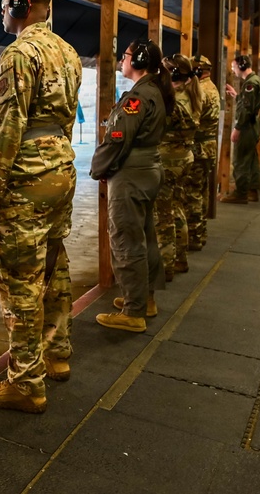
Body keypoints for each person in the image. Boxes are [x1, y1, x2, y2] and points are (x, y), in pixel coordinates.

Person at [0, 0, 82, 413]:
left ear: (21, 4)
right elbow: (66, 119)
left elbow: (9, 127)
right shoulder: (68, 52)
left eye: (5, 4)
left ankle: (25, 383)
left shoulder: (19, 55)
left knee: (20, 280)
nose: (2, 11)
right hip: (60, 168)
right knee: (54, 266)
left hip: (26, 178)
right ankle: (56, 354)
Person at [90, 39, 174, 333]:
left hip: (131, 173)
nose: (121, 60)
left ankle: (133, 312)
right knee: (144, 236)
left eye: (125, 56)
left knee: (126, 239)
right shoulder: (154, 91)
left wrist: (99, 168)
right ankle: (144, 300)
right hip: (146, 169)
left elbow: (117, 139)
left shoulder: (137, 97)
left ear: (137, 61)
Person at [156, 54, 200, 279]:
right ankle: (180, 258)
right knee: (177, 207)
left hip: (169, 161)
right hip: (183, 158)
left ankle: (165, 265)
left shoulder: (174, 101)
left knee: (163, 216)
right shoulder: (191, 94)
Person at [220, 55, 260, 204]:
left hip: (246, 126)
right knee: (251, 159)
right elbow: (249, 103)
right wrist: (237, 95)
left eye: (234, 67)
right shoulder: (256, 80)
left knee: (240, 159)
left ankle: (240, 193)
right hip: (252, 124)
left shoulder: (250, 83)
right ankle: (252, 190)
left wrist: (237, 128)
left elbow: (246, 109)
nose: (233, 70)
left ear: (242, 65)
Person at [187, 56, 220, 250]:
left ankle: (194, 236)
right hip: (208, 147)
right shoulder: (211, 87)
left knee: (192, 193)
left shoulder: (200, 91)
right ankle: (200, 232)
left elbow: (192, 121)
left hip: (198, 147)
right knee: (201, 190)